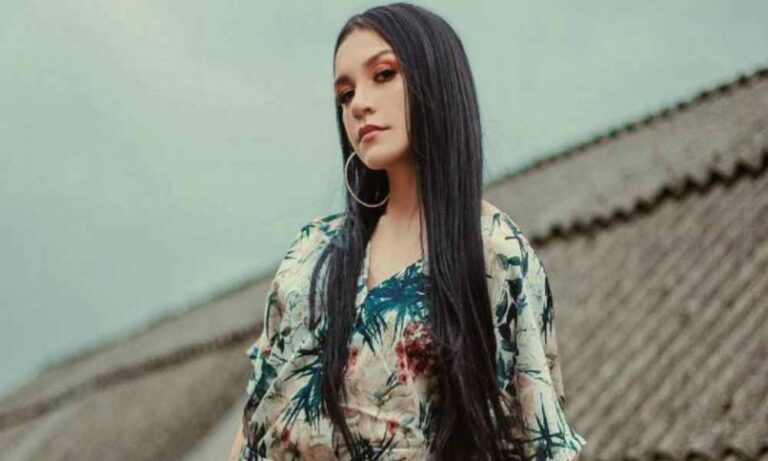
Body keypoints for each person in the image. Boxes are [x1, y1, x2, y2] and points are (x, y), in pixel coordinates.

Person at [229, 3, 587, 460]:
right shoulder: (312, 252)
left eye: (383, 75)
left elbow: (535, 438)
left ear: (435, 78)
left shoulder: (493, 252)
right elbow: (255, 417)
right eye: (345, 95)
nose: (359, 104)